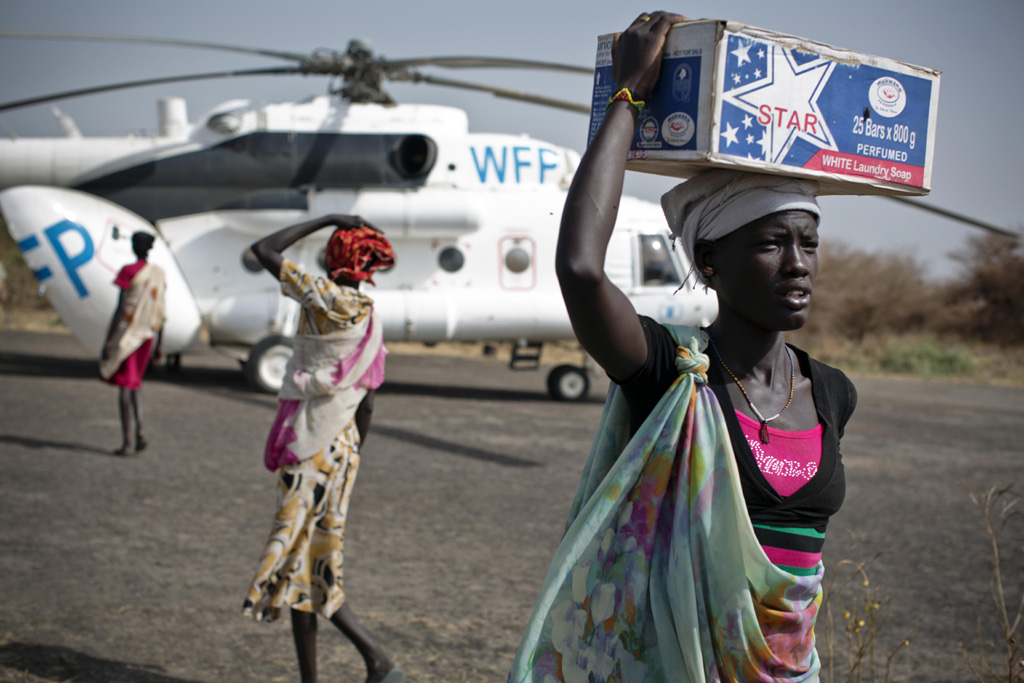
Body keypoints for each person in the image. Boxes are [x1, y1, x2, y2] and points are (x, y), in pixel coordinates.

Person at [508, 12, 857, 683]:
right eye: (769, 243)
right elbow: (581, 269)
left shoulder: (834, 392)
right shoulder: (672, 375)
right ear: (711, 260)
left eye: (808, 242)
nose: (798, 264)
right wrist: (628, 96)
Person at [241, 214, 402, 683]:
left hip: (308, 443)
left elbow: (263, 249)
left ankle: (372, 659)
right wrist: (354, 451)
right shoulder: (368, 313)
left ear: (335, 256)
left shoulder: (317, 295)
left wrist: (329, 218)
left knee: (300, 562)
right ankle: (371, 661)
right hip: (344, 446)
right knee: (317, 560)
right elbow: (368, 399)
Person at [100, 231, 166, 456]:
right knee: (135, 382)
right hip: (148, 336)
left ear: (134, 247)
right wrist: (160, 343)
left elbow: (121, 308)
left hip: (129, 335)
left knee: (125, 387)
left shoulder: (129, 271)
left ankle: (128, 442)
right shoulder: (158, 273)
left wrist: (109, 339)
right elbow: (160, 309)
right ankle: (141, 429)